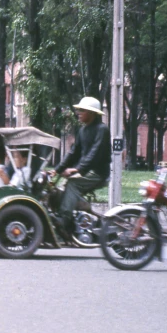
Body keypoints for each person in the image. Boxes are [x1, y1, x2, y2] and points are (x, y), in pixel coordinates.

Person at [50, 96, 111, 235]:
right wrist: (56, 170)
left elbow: (94, 154)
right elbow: (73, 153)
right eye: (79, 110)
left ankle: (63, 218)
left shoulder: (102, 130)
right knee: (56, 187)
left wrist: (77, 169)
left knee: (72, 183)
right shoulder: (83, 130)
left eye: (82, 110)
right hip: (85, 170)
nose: (78, 113)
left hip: (98, 172)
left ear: (92, 113)